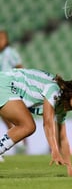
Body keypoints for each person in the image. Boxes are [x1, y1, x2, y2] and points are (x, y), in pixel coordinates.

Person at [0, 68, 72, 176]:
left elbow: (63, 138)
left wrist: (69, 168)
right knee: (27, 126)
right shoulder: (55, 89)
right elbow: (48, 122)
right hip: (6, 84)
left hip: (7, 85)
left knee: (26, 126)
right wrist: (54, 150)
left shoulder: (62, 107)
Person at [0, 29, 25, 161]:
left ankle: (16, 138)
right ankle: (16, 139)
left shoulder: (11, 53)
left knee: (8, 117)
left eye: (2, 38)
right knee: (5, 118)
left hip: (8, 88)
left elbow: (20, 67)